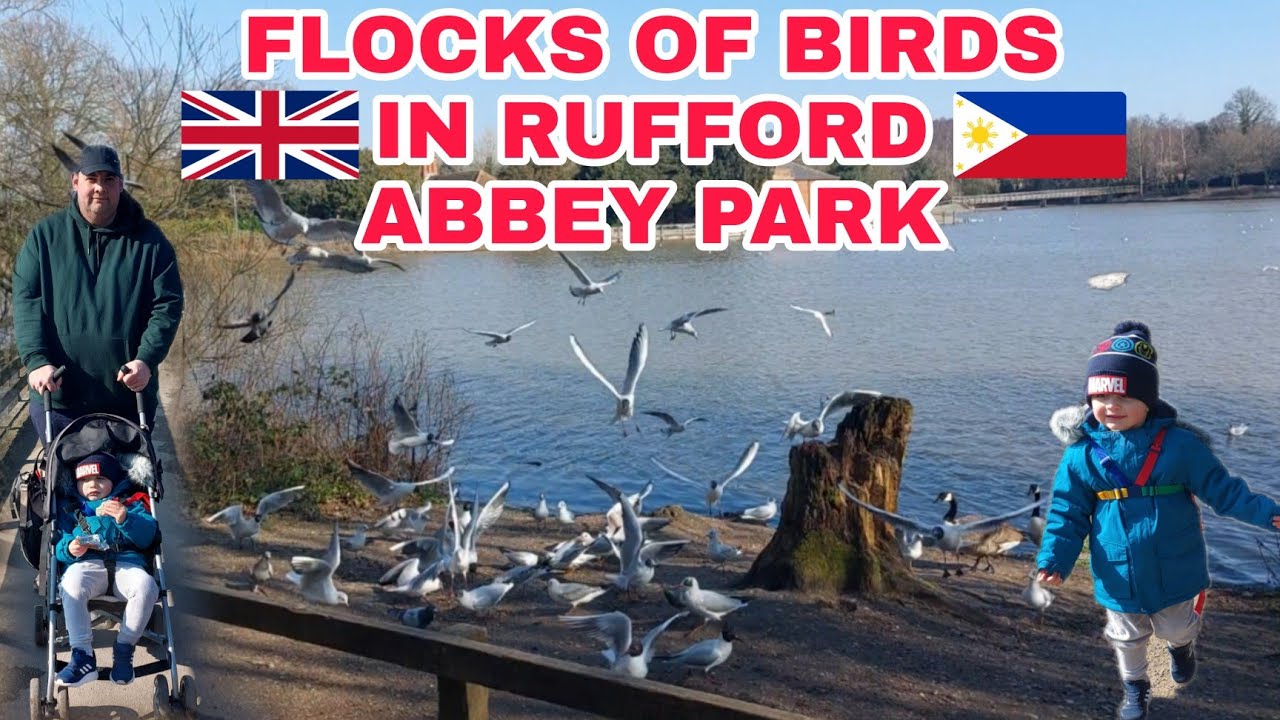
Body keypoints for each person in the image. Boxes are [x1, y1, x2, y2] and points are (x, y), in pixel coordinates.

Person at [1035, 321, 1280, 720]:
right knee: (1127, 636)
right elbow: (1067, 513)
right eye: (1100, 396)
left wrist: (1270, 513)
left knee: (1176, 627)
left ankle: (1181, 648)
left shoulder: (1181, 447)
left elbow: (1224, 491)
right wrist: (1054, 561)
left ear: (1149, 399)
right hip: (1117, 565)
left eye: (1126, 397)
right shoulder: (1082, 456)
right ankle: (1135, 689)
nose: (1111, 406)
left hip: (1175, 561)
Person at [10, 143, 183, 442]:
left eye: (109, 179)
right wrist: (36, 360)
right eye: (92, 179)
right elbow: (26, 302)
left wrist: (146, 359)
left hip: (129, 401)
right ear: (76, 181)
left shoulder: (151, 241)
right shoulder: (44, 238)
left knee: (130, 487)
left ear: (121, 184)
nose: (100, 187)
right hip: (59, 400)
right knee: (61, 485)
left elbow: (167, 305)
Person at [53, 452, 159, 687]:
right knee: (70, 584)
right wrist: (70, 548)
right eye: (84, 481)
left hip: (127, 565)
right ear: (76, 484)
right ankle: (82, 656)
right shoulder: (71, 509)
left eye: (101, 479)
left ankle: (124, 649)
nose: (92, 485)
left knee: (147, 586)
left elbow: (148, 537)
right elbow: (58, 546)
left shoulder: (131, 503)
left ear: (114, 481)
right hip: (87, 566)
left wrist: (125, 518)